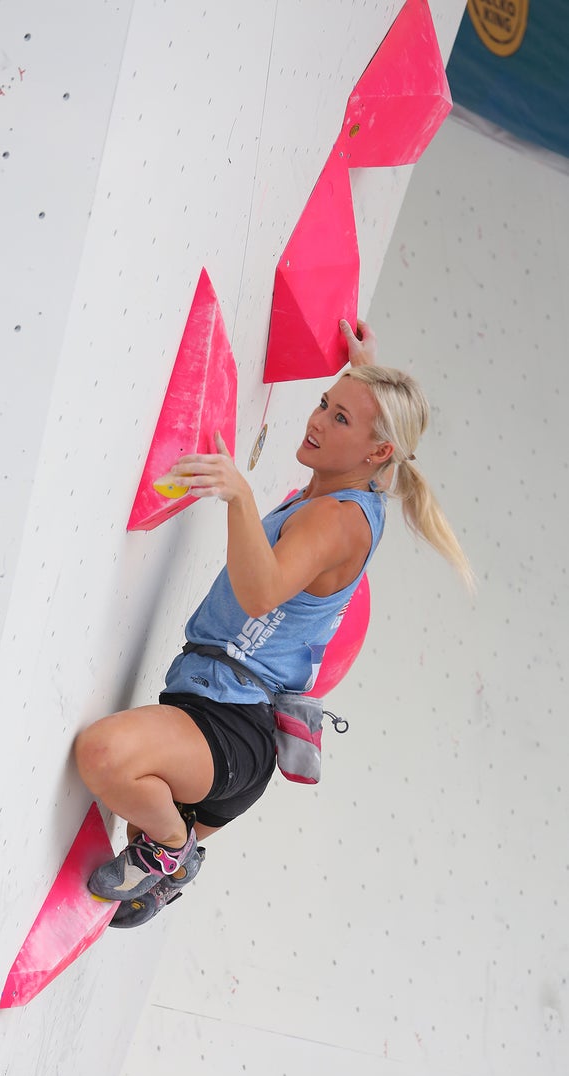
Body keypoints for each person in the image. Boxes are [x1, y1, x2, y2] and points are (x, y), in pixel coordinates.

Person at [73, 319, 473, 926]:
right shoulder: (359, 490)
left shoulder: (335, 521)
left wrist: (239, 495)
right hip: (228, 726)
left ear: (378, 452)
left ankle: (171, 854)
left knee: (103, 756)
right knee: (133, 785)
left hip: (231, 729)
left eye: (339, 419)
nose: (315, 421)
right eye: (323, 404)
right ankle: (171, 848)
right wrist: (365, 369)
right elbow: (376, 436)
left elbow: (260, 593)